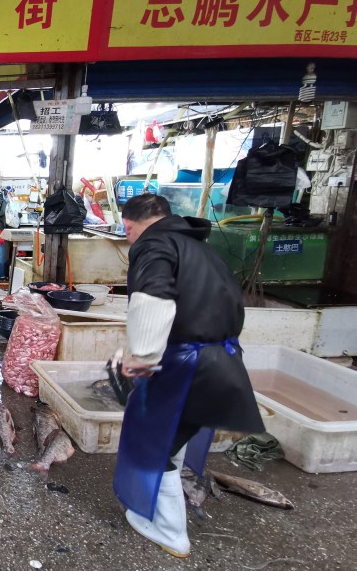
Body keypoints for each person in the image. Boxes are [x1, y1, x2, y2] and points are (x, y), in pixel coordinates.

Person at [114, 194, 263, 558]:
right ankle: (159, 507)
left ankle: (169, 530)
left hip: (186, 367)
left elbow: (152, 300)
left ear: (129, 226)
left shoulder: (153, 246)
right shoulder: (202, 249)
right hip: (225, 361)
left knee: (151, 443)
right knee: (175, 437)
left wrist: (142, 357)